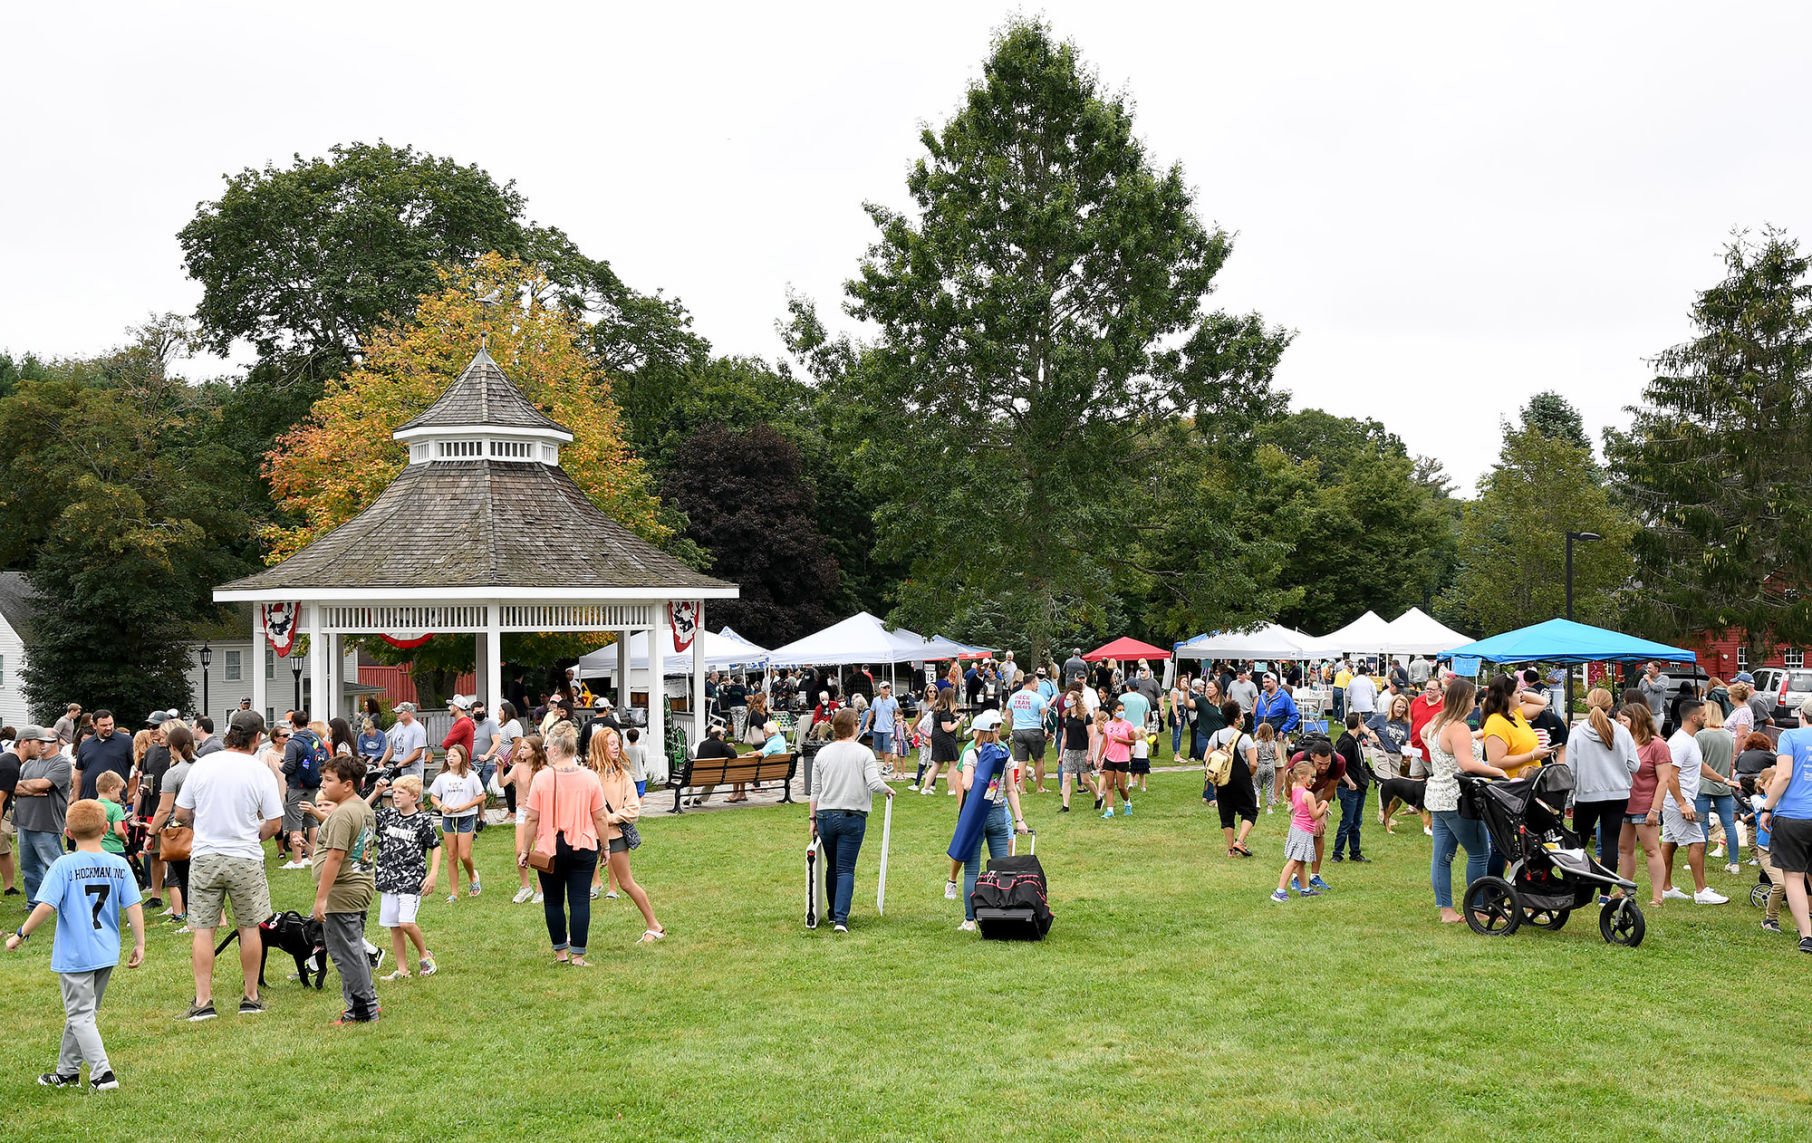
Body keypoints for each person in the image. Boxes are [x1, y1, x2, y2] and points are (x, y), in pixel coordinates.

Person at [4, 797, 144, 1091]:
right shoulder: (119, 864)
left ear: (67, 832)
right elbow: (133, 905)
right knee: (83, 1014)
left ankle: (102, 1074)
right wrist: (140, 943)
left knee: (80, 1015)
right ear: (106, 828)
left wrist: (20, 933)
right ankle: (67, 1071)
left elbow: (45, 906)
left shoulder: (64, 865)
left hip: (77, 953)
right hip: (106, 951)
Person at [173, 709, 283, 1021]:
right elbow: (274, 823)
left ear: (229, 733)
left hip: (206, 854)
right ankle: (250, 997)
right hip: (245, 856)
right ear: (258, 738)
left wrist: (202, 826)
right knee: (249, 928)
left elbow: (181, 813)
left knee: (203, 929)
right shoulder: (259, 770)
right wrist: (252, 834)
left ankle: (203, 1001)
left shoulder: (204, 764)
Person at [519, 723, 610, 966]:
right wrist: (606, 846)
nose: (547, 749)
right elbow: (600, 816)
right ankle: (578, 955)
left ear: (556, 748)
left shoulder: (542, 778)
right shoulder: (589, 777)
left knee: (553, 900)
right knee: (580, 900)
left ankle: (560, 952)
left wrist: (525, 850)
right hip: (584, 843)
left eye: (548, 745)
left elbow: (531, 818)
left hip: (549, 846)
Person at [1425, 678, 1510, 923]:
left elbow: (1434, 740)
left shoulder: (1437, 723)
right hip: (1459, 798)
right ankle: (1479, 908)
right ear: (1465, 699)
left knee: (1442, 857)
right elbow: (1466, 763)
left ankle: (1446, 911)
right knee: (1480, 853)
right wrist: (1498, 772)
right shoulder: (1458, 727)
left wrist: (1478, 734)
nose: (1475, 702)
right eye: (1473, 697)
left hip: (1438, 795)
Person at [308, 756, 379, 1024]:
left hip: (343, 891)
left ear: (348, 784)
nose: (323, 785)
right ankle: (365, 1002)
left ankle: (362, 1010)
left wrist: (321, 898)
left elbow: (335, 858)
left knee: (345, 953)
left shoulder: (342, 814)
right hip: (359, 886)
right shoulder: (362, 808)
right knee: (354, 949)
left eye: (329, 780)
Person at [947, 709, 1028, 932]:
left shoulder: (973, 753)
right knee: (1002, 868)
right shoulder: (1005, 754)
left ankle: (969, 920)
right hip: (999, 813)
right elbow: (1011, 789)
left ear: (979, 732)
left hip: (976, 815)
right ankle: (1004, 912)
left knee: (972, 869)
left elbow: (967, 785)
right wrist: (1019, 819)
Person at [595, 721, 663, 944]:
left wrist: (608, 820)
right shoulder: (588, 776)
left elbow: (633, 810)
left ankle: (655, 926)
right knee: (578, 886)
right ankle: (573, 935)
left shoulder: (622, 776)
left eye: (617, 743)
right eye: (610, 744)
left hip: (615, 838)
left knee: (626, 883)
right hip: (588, 838)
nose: (616, 747)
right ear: (598, 747)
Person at [1756, 696, 1812, 953]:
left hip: (1794, 815)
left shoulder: (1791, 738)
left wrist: (1767, 807)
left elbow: (1784, 774)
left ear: (1802, 715)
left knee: (1794, 876)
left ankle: (1806, 936)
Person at [1656, 700, 1726, 904]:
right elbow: (1670, 776)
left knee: (1669, 843)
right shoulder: (1679, 742)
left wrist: (1724, 780)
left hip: (1678, 800)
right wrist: (1682, 804)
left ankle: (1665, 887)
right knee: (1698, 842)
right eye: (1704, 715)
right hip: (1679, 800)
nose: (1707, 718)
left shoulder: (1690, 740)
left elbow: (1700, 765)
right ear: (1694, 718)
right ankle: (1701, 891)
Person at [374, 775, 439, 981]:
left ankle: (424, 954)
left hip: (411, 880)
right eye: (393, 792)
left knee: (406, 923)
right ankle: (402, 969)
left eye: (400, 792)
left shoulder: (422, 820)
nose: (395, 796)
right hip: (388, 879)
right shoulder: (388, 816)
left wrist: (433, 875)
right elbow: (362, 812)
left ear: (414, 796)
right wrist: (376, 792)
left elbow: (435, 847)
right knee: (394, 926)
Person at [1567, 688, 1639, 870]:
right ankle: (1605, 894)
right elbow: (1634, 765)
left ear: (1588, 704)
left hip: (1587, 794)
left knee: (1579, 844)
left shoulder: (1577, 732)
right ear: (1611, 706)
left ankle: (1577, 885)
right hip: (1617, 793)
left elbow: (1571, 771)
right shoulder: (1622, 731)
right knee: (1610, 842)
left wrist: (1568, 799)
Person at [1618, 703, 1672, 910]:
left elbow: (1664, 780)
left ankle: (1658, 895)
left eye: (1624, 720)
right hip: (1623, 804)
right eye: (1619, 720)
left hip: (1646, 805)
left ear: (1637, 720)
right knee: (1624, 849)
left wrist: (1655, 809)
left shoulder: (1657, 745)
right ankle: (1624, 889)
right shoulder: (1622, 742)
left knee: (1651, 850)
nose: (1620, 724)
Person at [12, 725, 70, 903]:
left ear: (55, 742)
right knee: (28, 867)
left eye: (45, 741)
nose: (41, 744)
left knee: (53, 865)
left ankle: (63, 901)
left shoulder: (62, 764)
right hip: (23, 821)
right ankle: (34, 903)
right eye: (39, 741)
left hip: (47, 822)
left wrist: (25, 785)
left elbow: (42, 785)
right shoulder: (29, 763)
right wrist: (27, 787)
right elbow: (12, 787)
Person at [147, 726, 197, 930]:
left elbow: (164, 809)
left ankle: (191, 920)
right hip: (207, 828)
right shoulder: (204, 766)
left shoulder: (173, 773)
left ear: (172, 748)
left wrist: (150, 833)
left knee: (182, 879)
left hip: (181, 831)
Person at [429, 744, 485, 902]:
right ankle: (454, 893)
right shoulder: (442, 777)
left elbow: (481, 796)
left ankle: (473, 876)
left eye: (454, 755)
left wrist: (465, 806)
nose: (450, 758)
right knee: (452, 855)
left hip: (466, 817)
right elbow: (433, 796)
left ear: (462, 758)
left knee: (465, 855)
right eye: (449, 755)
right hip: (448, 819)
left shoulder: (471, 776)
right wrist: (441, 806)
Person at [1207, 701, 1258, 858]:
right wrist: (1248, 774)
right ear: (1237, 719)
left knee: (1226, 814)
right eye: (1241, 715)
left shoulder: (1216, 735)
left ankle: (1230, 850)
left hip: (1222, 780)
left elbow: (1206, 758)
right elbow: (1254, 763)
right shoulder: (1244, 738)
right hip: (1241, 780)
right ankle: (1240, 841)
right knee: (1250, 811)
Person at [1271, 762, 1328, 901]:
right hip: (1303, 831)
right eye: (1311, 777)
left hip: (1296, 829)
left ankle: (1305, 889)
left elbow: (1306, 809)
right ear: (1302, 777)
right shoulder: (1308, 794)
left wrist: (1317, 804)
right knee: (1294, 861)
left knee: (1301, 862)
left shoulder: (1295, 788)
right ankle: (1279, 891)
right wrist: (1324, 804)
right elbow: (1314, 815)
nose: (1313, 780)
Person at [1696, 702, 1740, 870]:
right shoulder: (1728, 735)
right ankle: (1734, 863)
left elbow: (1697, 763)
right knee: (1729, 824)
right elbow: (1731, 762)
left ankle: (1700, 861)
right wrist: (1727, 779)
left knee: (1702, 822)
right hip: (1724, 785)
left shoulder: (1701, 736)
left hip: (1704, 785)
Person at [505, 735, 547, 905]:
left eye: (524, 747)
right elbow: (502, 783)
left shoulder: (544, 770)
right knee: (520, 850)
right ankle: (525, 886)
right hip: (523, 811)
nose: (520, 750)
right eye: (520, 747)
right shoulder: (518, 767)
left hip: (541, 812)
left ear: (535, 750)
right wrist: (501, 769)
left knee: (539, 852)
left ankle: (541, 889)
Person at [1331, 712, 1370, 863]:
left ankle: (1355, 852)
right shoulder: (1346, 742)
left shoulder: (1357, 739)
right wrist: (1349, 782)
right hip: (1350, 787)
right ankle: (1337, 852)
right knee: (1347, 821)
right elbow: (1339, 765)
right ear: (1359, 724)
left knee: (1356, 821)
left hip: (1359, 785)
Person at [1004, 676, 1050, 794]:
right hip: (1034, 730)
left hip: (1018, 731)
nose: (1037, 686)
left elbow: (1007, 714)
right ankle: (1039, 787)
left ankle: (1022, 789)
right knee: (1038, 760)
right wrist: (1046, 729)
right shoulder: (1038, 698)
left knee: (1021, 762)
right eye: (1037, 683)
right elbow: (1045, 715)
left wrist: (1012, 727)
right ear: (1032, 683)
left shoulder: (1013, 697)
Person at [72, 710, 130, 803]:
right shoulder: (85, 745)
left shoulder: (126, 741)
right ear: (94, 726)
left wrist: (129, 796)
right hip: (88, 800)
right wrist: (76, 800)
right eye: (104, 725)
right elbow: (78, 774)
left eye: (111, 724)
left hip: (115, 801)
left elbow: (137, 770)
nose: (108, 728)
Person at [1099, 699, 1137, 819]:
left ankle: (1127, 803)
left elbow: (1133, 741)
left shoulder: (1128, 725)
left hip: (1122, 759)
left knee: (1120, 786)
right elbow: (1105, 742)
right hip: (1110, 758)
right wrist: (1099, 757)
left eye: (1123, 710)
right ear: (1113, 712)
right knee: (1109, 785)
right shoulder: (1108, 725)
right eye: (1119, 710)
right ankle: (1110, 809)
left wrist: (1122, 741)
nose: (1121, 712)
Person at [379, 702, 428, 783]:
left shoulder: (418, 728)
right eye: (397, 712)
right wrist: (382, 762)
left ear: (409, 713)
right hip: (397, 769)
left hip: (412, 771)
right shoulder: (397, 727)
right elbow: (391, 747)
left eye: (400, 712)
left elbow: (418, 752)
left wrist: (401, 764)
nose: (397, 714)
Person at [1252, 673, 1301, 742]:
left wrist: (1283, 730)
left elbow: (1295, 715)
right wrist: (1256, 731)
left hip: (1278, 738)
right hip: (1261, 739)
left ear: (1275, 682)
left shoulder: (1284, 697)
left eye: (1268, 682)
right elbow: (1257, 716)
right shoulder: (1261, 697)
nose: (1265, 684)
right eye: (1264, 682)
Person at [94, 771, 129, 857]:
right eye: (119, 792)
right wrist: (125, 840)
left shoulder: (91, 806)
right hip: (114, 850)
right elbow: (119, 831)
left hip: (95, 849)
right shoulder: (116, 808)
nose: (119, 796)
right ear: (111, 789)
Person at [1252, 722, 1280, 814]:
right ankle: (1269, 808)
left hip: (1260, 766)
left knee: (1256, 785)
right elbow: (1277, 755)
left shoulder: (1256, 743)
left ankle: (1257, 802)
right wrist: (1272, 758)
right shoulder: (1273, 743)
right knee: (1270, 786)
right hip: (1270, 766)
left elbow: (1255, 756)